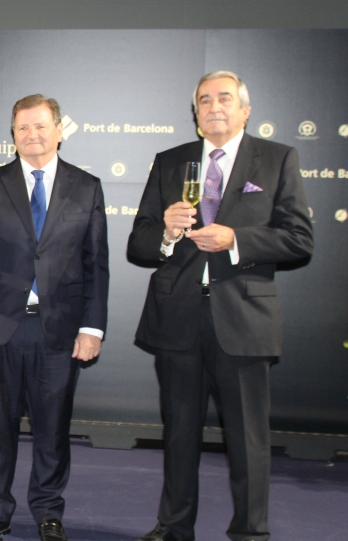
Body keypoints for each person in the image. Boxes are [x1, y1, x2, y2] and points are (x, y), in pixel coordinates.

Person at [127, 71, 313, 541]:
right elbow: (139, 242)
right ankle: (173, 527)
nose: (214, 106)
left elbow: (299, 239)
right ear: (195, 114)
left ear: (245, 110)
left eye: (224, 98)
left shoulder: (276, 159)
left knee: (248, 440)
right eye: (204, 100)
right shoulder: (170, 162)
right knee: (179, 434)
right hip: (178, 318)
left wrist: (236, 240)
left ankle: (250, 532)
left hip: (244, 319)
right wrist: (167, 233)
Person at [0, 94, 109, 541]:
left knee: (52, 428)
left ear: (59, 130)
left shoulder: (86, 186)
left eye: (40, 127)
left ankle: (48, 512)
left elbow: (96, 263)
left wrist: (92, 326)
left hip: (57, 328)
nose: (32, 135)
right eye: (22, 128)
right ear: (13, 134)